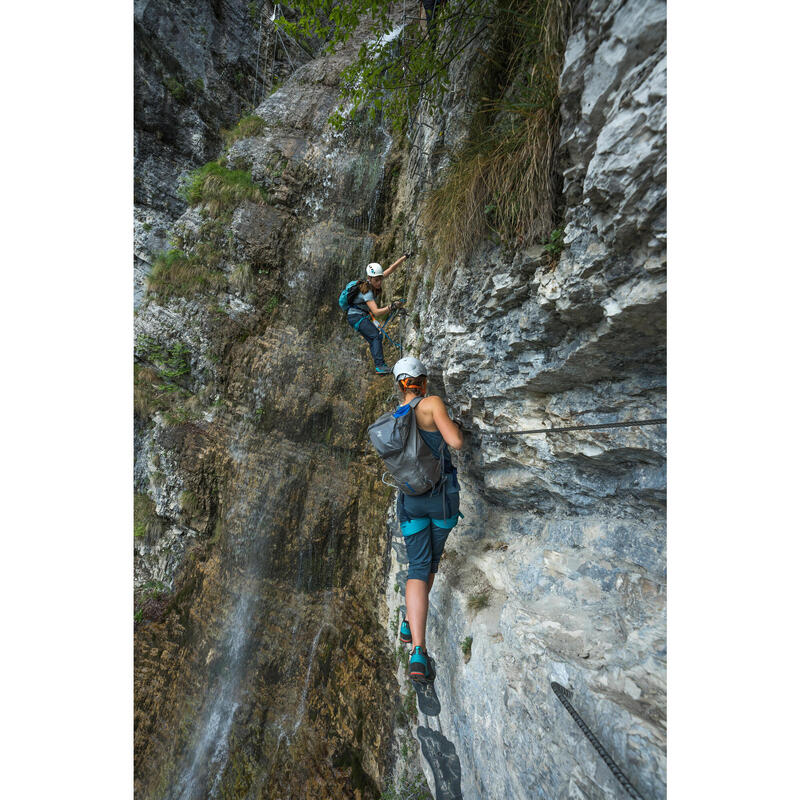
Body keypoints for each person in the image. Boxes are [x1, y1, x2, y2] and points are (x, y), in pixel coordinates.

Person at [391, 356, 463, 681]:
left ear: (400, 385)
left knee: (418, 567)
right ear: (422, 382)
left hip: (411, 503)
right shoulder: (431, 404)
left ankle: (415, 644)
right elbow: (456, 441)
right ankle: (417, 642)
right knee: (430, 565)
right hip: (441, 501)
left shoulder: (393, 418)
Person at [345, 256, 408, 374]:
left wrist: (405, 257)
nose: (379, 283)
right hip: (356, 317)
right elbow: (376, 312)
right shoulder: (367, 291)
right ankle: (380, 366)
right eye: (376, 280)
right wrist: (392, 307)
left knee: (376, 337)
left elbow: (391, 268)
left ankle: (380, 366)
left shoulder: (376, 278)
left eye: (380, 279)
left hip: (359, 316)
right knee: (375, 335)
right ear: (369, 278)